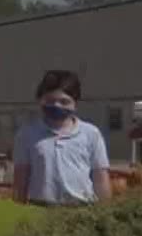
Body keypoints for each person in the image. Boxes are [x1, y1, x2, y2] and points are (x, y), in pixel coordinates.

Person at [12, 69, 111, 207]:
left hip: (82, 211)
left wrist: (105, 213)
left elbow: (100, 178)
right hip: (40, 210)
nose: (56, 105)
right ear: (40, 100)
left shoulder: (91, 134)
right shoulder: (27, 135)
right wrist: (17, 211)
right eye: (50, 100)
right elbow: (20, 180)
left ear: (75, 104)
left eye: (64, 101)